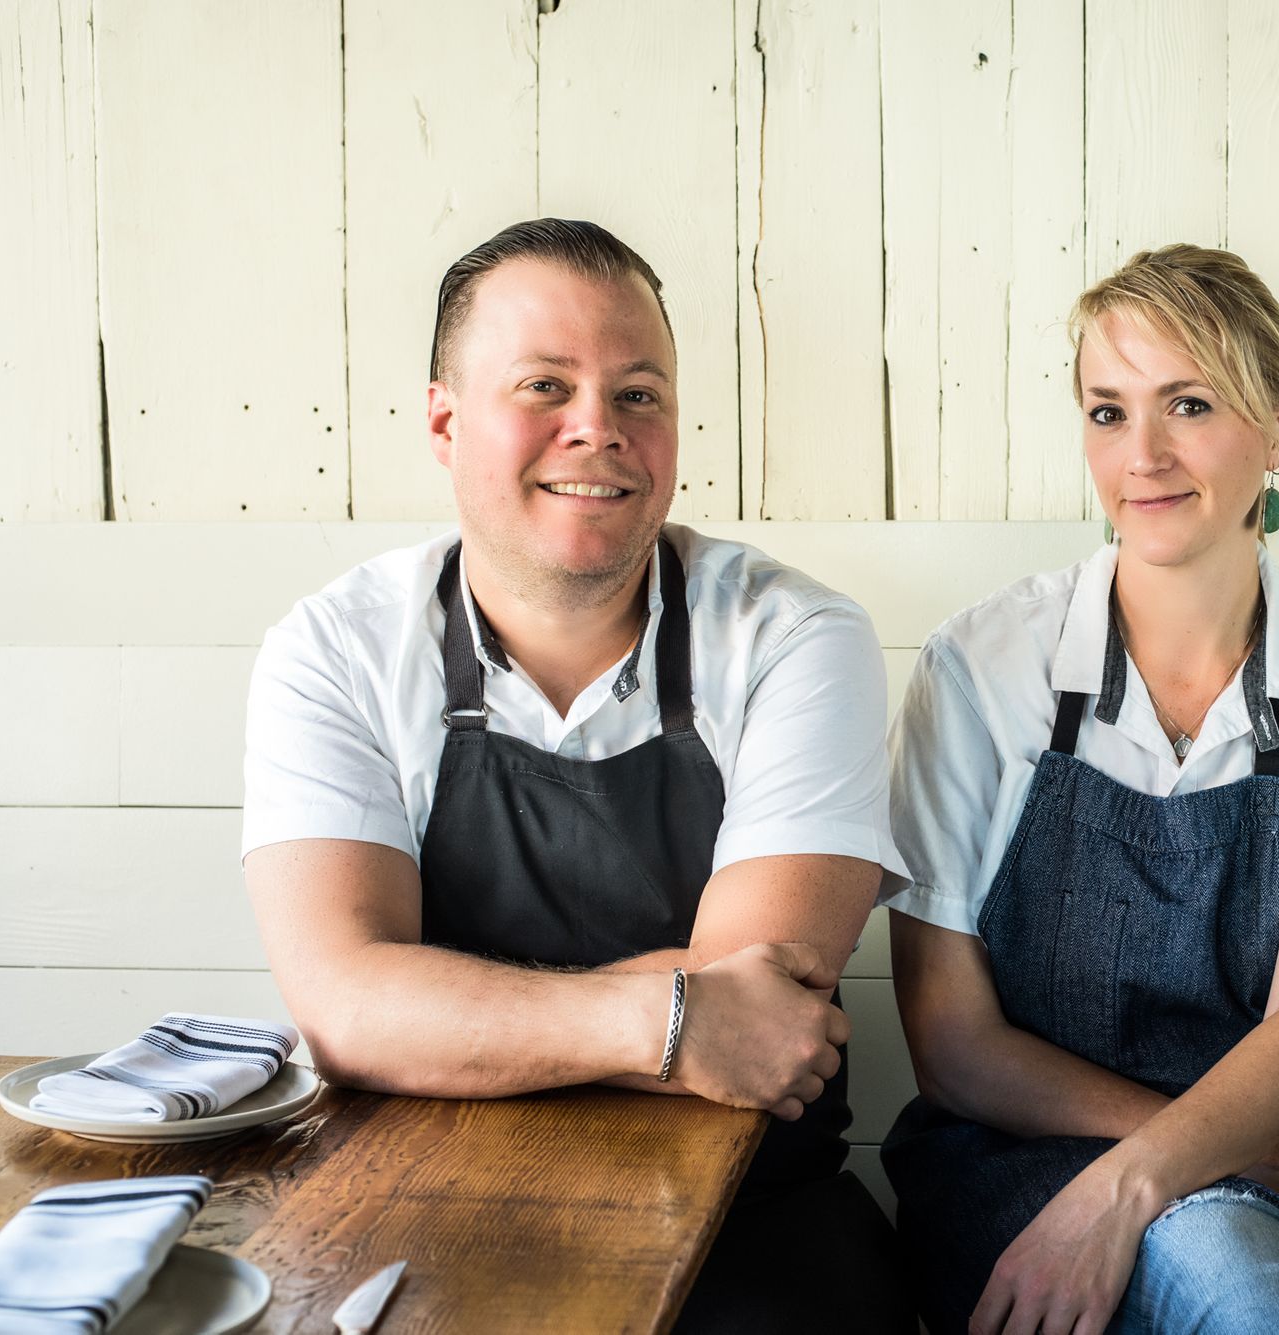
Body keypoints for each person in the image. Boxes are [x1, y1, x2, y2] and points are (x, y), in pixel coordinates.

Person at [241, 218, 911, 1332]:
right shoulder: (337, 650)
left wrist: (442, 1014)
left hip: (756, 1227)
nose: (596, 428)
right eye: (544, 385)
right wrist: (676, 1024)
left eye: (637, 394)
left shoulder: (795, 638)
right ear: (446, 422)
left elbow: (771, 1006)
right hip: (418, 1213)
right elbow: (345, 1011)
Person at [879, 244, 1279, 1333]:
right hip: (1025, 1155)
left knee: (1225, 1261)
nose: (1140, 455)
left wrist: (1153, 1179)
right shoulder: (978, 668)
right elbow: (953, 1045)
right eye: (1106, 413)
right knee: (1221, 1264)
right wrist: (1229, 1173)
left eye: (1186, 406)